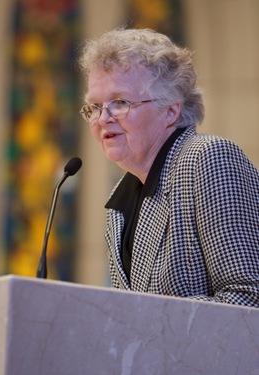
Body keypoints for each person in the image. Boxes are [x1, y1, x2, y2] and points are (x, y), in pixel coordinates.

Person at [78, 27, 259, 307]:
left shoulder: (208, 159)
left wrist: (153, 326)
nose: (103, 118)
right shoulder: (121, 200)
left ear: (170, 111)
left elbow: (250, 296)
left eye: (120, 102)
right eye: (95, 106)